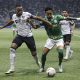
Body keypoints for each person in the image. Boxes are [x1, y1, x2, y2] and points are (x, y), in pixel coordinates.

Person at [0, 4, 53, 74]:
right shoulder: (14, 16)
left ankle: (39, 64)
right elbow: (11, 21)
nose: (20, 11)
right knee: (12, 48)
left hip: (28, 36)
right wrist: (3, 26)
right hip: (20, 36)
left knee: (34, 53)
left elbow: (38, 18)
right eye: (19, 10)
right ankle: (12, 68)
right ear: (16, 10)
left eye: (21, 10)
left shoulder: (27, 14)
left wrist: (47, 22)